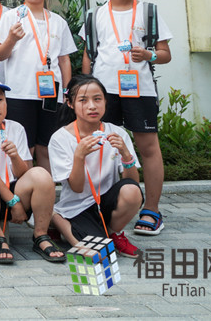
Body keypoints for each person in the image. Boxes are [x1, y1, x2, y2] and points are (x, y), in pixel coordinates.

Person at [81, 0, 173, 237]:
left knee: (148, 148)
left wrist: (149, 55)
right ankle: (103, 206)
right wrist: (85, 91)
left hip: (140, 90)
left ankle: (152, 210)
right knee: (101, 147)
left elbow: (165, 54)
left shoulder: (148, 11)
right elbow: (89, 55)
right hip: (103, 92)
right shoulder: (95, 15)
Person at [0, 75, 65, 264]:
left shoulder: (16, 128)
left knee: (41, 174)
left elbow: (23, 173)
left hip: (14, 189)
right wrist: (13, 202)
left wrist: (14, 156)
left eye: (0, 99)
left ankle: (41, 235)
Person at [48, 75, 143, 258]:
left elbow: (132, 183)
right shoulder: (60, 138)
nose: (92, 106)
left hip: (106, 202)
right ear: (70, 103)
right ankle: (57, 219)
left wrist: (126, 154)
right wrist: (79, 156)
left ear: (105, 101)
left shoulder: (117, 133)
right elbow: (76, 188)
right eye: (83, 100)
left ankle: (113, 233)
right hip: (77, 207)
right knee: (101, 253)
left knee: (132, 191)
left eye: (97, 99)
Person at [0, 0, 75, 170]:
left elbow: (64, 60)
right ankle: (26, 188)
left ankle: (46, 189)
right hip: (20, 93)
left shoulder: (58, 22)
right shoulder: (11, 17)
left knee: (47, 147)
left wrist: (67, 91)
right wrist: (11, 38)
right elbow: (0, 54)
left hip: (51, 95)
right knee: (25, 149)